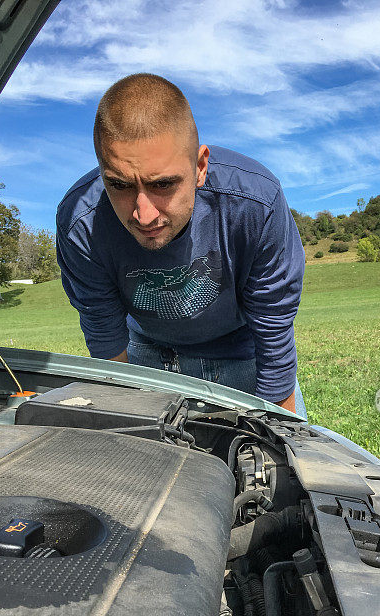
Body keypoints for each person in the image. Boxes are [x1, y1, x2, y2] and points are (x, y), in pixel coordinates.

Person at [56, 73, 306, 416]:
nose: (144, 214)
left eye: (163, 185)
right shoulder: (80, 224)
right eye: (119, 185)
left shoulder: (255, 204)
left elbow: (273, 326)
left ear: (200, 166)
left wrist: (280, 433)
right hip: (145, 356)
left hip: (245, 354)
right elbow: (105, 336)